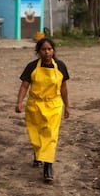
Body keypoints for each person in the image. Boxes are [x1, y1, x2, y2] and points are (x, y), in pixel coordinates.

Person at [15, 37, 70, 183]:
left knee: (51, 135)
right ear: (39, 52)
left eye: (49, 49)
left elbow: (63, 88)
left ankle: (48, 167)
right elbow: (25, 86)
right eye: (44, 49)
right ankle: (38, 154)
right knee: (36, 134)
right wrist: (19, 102)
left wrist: (67, 106)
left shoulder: (61, 66)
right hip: (35, 105)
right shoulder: (32, 67)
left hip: (54, 105)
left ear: (53, 50)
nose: (47, 52)